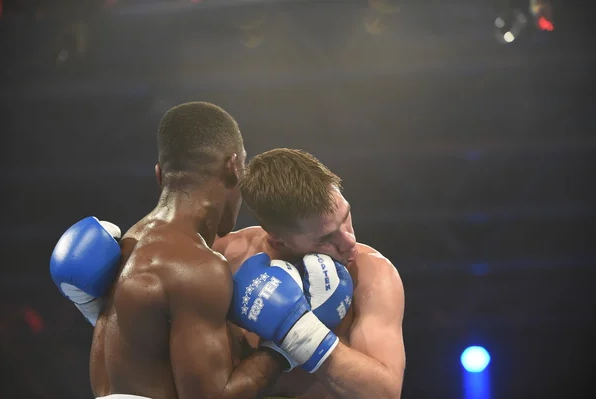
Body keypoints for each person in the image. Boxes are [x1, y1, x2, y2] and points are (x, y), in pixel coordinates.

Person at [50, 103, 352, 399]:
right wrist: (290, 339)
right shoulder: (196, 266)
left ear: (159, 174)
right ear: (233, 167)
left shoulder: (129, 243)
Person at [215, 148, 406, 399]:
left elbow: (385, 394)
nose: (349, 241)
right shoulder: (226, 260)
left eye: (345, 217)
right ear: (279, 242)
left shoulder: (371, 274)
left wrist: (303, 332)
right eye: (325, 239)